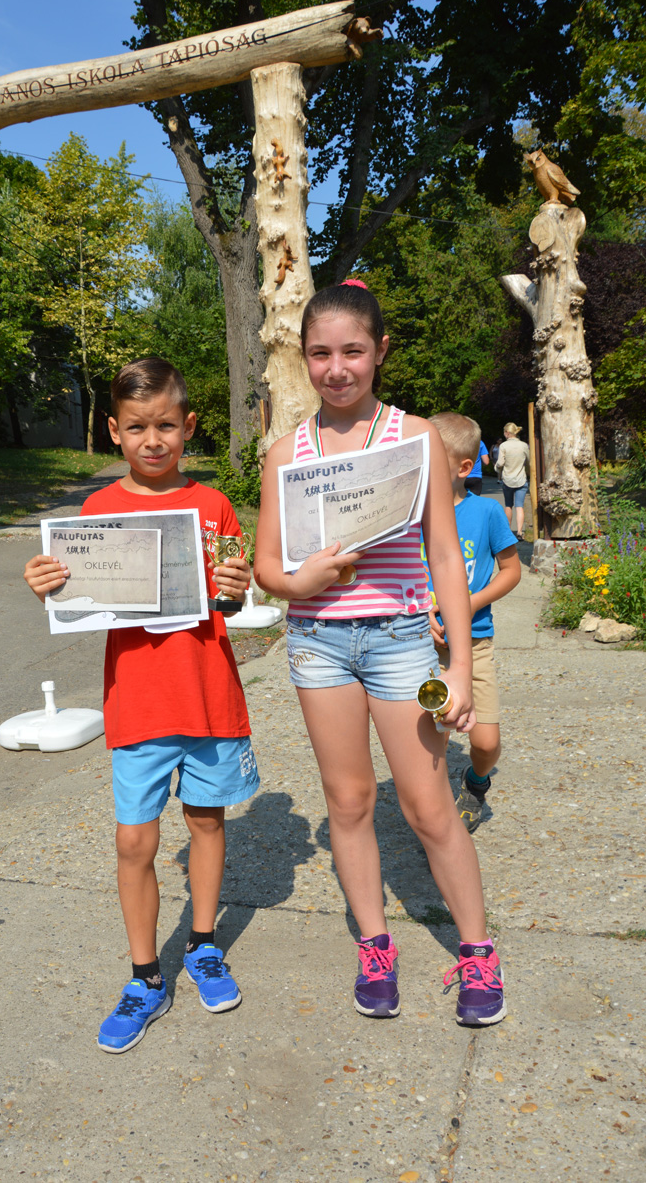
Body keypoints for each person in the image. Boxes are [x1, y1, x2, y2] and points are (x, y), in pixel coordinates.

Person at [253, 282, 506, 1027]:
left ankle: (478, 951)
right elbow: (268, 567)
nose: (336, 368)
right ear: (303, 357)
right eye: (320, 353)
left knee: (429, 807)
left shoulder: (414, 436)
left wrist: (458, 667)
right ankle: (374, 944)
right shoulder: (284, 454)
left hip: (401, 642)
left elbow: (446, 557)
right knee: (349, 802)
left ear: (380, 351)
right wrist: (299, 581)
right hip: (319, 644)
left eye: (353, 351)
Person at [24, 357, 260, 1054]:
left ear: (188, 425)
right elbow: (77, 600)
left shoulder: (214, 504)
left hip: (207, 695)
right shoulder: (97, 512)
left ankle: (204, 944)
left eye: (165, 425)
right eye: (136, 427)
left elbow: (233, 597)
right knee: (134, 840)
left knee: (206, 821)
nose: (152, 440)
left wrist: (236, 584)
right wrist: (48, 582)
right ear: (113, 431)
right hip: (139, 701)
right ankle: (144, 977)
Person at [426, 413, 521, 832]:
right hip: (420, 646)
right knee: (432, 739)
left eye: (431, 460)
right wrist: (423, 612)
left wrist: (465, 605)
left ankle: (475, 783)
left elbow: (511, 571)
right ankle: (433, 811)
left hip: (475, 642)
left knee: (485, 743)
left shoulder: (486, 512)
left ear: (464, 467)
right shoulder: (410, 518)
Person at [495, 422, 530, 540]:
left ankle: (508, 531)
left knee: (508, 505)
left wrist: (496, 468)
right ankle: (519, 532)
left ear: (507, 433)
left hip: (508, 479)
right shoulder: (524, 445)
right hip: (521, 479)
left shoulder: (503, 446)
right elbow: (528, 462)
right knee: (519, 506)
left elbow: (500, 463)